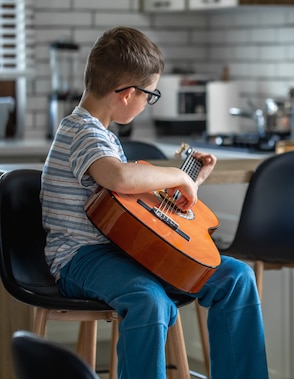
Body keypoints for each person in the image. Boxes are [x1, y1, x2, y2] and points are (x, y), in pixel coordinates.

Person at [40, 26, 269, 379]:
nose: (149, 102)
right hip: (79, 256)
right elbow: (119, 178)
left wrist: (191, 182)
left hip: (122, 250)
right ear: (129, 94)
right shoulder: (80, 130)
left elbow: (129, 206)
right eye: (151, 94)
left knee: (236, 276)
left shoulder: (105, 136)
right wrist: (178, 176)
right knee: (149, 300)